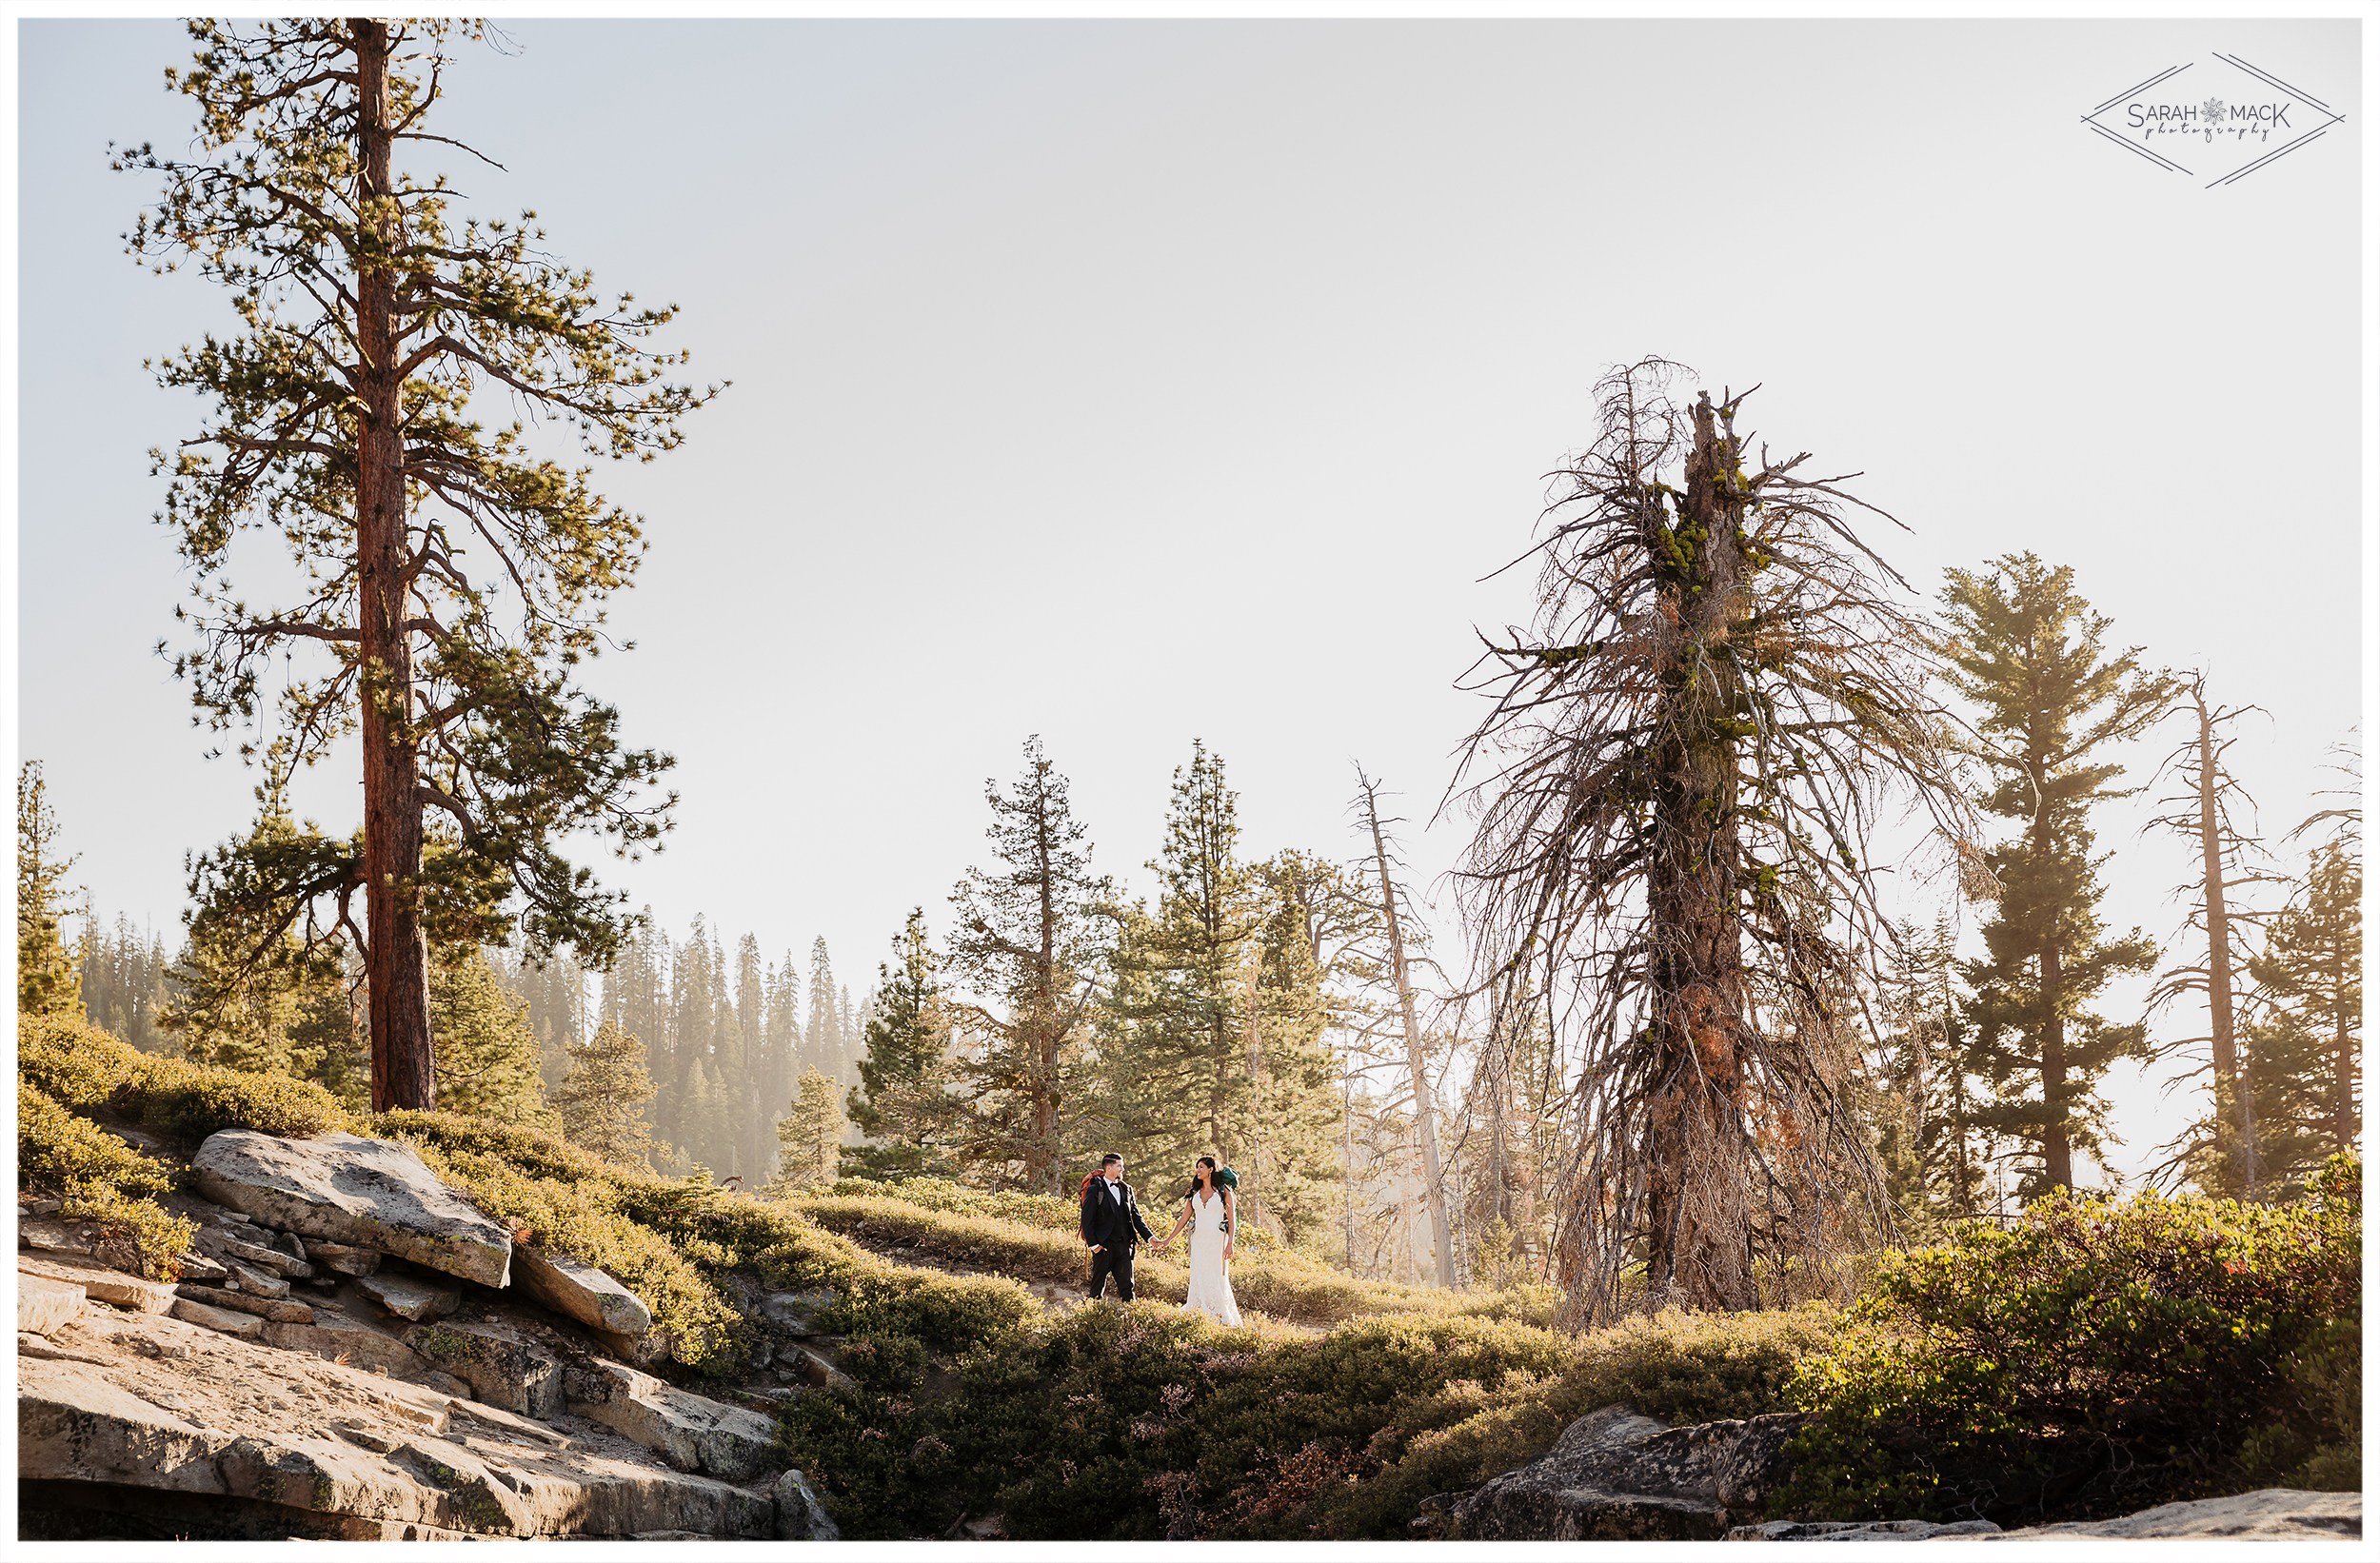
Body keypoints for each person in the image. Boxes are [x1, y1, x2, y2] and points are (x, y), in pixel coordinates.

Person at [1154, 1155, 1240, 1326]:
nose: (1198, 1170)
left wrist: (1230, 1243)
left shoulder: (1224, 1191)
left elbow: (1232, 1220)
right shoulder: (1194, 1192)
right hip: (1199, 1240)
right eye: (1197, 1167)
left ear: (1210, 1170)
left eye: (1201, 1167)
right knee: (1199, 1274)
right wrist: (1168, 1239)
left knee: (1217, 1275)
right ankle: (1198, 1311)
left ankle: (1218, 1313)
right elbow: (1184, 1219)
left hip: (1217, 1240)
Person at [1079, 1152, 1153, 1302]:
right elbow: (1087, 1220)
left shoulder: (1127, 1189)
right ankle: (1091, 1320)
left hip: (1125, 1246)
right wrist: (1094, 1246)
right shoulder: (1095, 1190)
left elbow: (1136, 1217)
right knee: (1097, 1289)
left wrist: (1150, 1238)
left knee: (1127, 1288)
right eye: (1119, 1166)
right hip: (1104, 1247)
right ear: (1108, 1167)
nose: (1122, 1169)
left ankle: (1130, 1321)